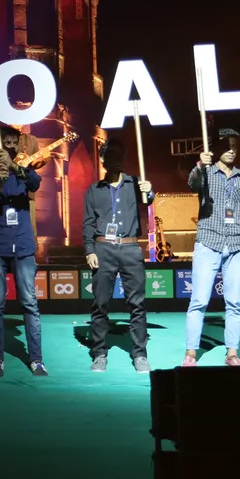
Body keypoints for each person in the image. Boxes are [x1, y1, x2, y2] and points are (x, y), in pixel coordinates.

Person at [184, 128, 240, 366]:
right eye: (227, 146)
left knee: (235, 302)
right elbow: (192, 183)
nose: (231, 150)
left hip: (238, 244)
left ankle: (232, 352)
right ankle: (190, 353)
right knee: (198, 300)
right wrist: (200, 164)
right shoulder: (205, 172)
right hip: (209, 242)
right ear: (217, 148)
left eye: (235, 146)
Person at [82, 139, 154, 373]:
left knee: (137, 304)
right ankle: (100, 353)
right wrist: (90, 250)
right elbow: (88, 224)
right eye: (111, 155)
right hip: (103, 249)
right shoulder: (94, 190)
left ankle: (140, 354)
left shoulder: (136, 184)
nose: (117, 160)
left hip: (130, 248)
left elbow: (149, 199)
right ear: (103, 160)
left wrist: (149, 190)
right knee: (100, 304)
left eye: (120, 155)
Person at [0, 145, 45, 377]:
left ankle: (36, 359)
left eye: (6, 153)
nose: (1, 157)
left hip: (23, 247)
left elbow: (35, 182)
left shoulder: (22, 174)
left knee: (29, 302)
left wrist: (16, 168)